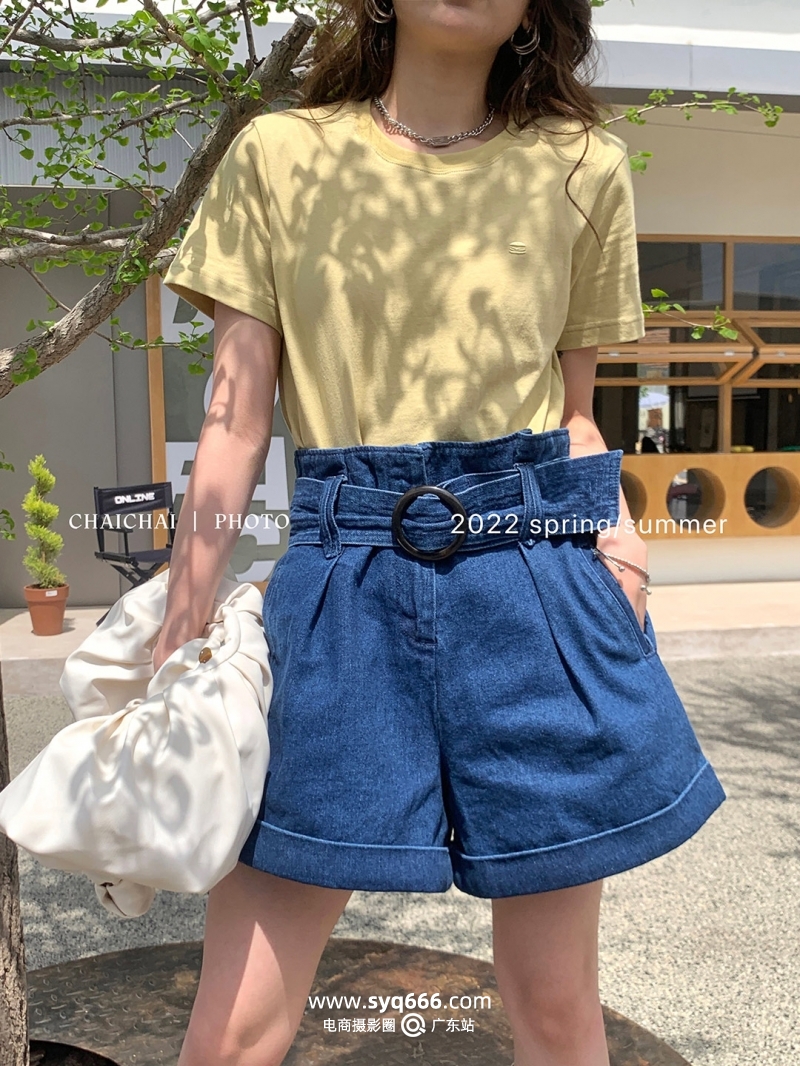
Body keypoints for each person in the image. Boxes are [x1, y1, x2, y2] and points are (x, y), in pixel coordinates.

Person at [159, 1, 726, 1063]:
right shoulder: (279, 153)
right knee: (233, 1028)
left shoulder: (582, 164)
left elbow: (575, 414)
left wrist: (624, 550)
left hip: (535, 568)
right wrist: (182, 606)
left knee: (555, 1007)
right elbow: (235, 417)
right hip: (341, 583)